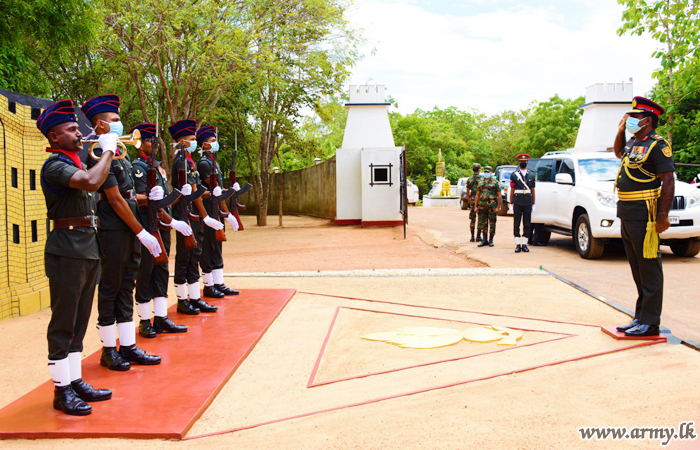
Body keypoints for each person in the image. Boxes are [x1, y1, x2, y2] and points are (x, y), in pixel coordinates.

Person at [38, 99, 114, 415]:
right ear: (55, 137)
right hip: (67, 249)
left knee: (80, 319)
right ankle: (61, 390)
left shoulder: (75, 162)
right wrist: (108, 149)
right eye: (71, 129)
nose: (78, 134)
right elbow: (92, 183)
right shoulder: (55, 165)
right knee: (64, 322)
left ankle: (75, 379)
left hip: (85, 247)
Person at [83, 95, 162, 371]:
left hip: (127, 225)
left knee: (127, 283)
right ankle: (108, 350)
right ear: (101, 125)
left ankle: (127, 345)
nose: (121, 125)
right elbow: (115, 199)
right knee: (111, 286)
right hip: (114, 229)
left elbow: (128, 196)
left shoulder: (119, 153)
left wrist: (147, 200)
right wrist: (141, 232)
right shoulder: (98, 154)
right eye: (115, 121)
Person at [613, 96, 674, 337]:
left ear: (647, 120)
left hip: (645, 212)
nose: (629, 119)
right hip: (627, 211)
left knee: (649, 267)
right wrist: (620, 131)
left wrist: (663, 215)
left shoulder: (658, 145)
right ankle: (640, 316)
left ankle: (651, 322)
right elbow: (618, 152)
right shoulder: (633, 142)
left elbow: (668, 181)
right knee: (637, 266)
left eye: (634, 117)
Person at [130, 123, 192, 338]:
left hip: (162, 227)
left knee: (162, 270)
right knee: (145, 272)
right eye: (150, 141)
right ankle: (145, 321)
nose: (154, 145)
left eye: (155, 141)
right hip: (148, 226)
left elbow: (163, 199)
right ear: (140, 144)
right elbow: (141, 200)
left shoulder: (156, 165)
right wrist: (171, 220)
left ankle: (161, 316)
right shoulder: (138, 167)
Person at [169, 120, 224, 314]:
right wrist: (206, 215)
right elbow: (194, 193)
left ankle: (194, 296)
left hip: (193, 216)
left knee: (194, 256)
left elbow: (197, 192)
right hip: (186, 215)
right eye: (191, 139)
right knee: (185, 257)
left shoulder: (189, 161)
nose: (195, 142)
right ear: (181, 141)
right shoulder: (181, 161)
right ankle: (183, 299)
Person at [196, 126, 241, 298]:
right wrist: (227, 212)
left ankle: (218, 283)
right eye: (212, 141)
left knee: (217, 245)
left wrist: (229, 190)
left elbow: (218, 189)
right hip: (208, 209)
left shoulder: (213, 162)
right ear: (204, 145)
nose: (216, 143)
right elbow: (213, 188)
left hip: (216, 208)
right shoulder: (204, 163)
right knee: (208, 245)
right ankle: (208, 285)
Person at [510, 154, 536, 253]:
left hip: (528, 201)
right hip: (517, 201)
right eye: (521, 162)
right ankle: (517, 244)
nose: (523, 163)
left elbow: (533, 190)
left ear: (527, 163)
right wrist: (511, 203)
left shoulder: (532, 175)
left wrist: (534, 203)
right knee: (516, 223)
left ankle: (524, 243)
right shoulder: (514, 175)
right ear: (519, 163)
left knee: (527, 223)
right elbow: (512, 189)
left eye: (524, 162)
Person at [474, 166, 501, 247]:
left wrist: (498, 207)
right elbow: (477, 194)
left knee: (492, 223)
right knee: (483, 224)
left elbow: (499, 195)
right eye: (485, 172)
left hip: (492, 206)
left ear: (491, 173)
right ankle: (484, 240)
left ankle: (491, 240)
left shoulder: (495, 182)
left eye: (488, 172)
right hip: (482, 206)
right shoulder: (480, 182)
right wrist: (475, 206)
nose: (486, 173)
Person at [466, 163, 481, 242]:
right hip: (480, 200)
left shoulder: (470, 179)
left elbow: (467, 192)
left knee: (472, 219)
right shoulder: (482, 179)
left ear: (473, 170)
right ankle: (478, 236)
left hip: (472, 200)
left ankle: (472, 236)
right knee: (480, 219)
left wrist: (468, 201)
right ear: (479, 170)